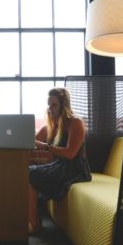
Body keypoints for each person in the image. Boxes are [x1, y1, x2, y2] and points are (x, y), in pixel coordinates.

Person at [29, 87, 91, 233]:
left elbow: (70, 154)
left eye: (54, 105)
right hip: (59, 166)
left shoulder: (75, 122)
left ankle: (35, 224)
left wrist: (45, 146)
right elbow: (33, 142)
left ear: (64, 105)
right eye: (49, 105)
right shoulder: (52, 124)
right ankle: (33, 221)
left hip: (75, 169)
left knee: (29, 173)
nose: (50, 109)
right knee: (26, 172)